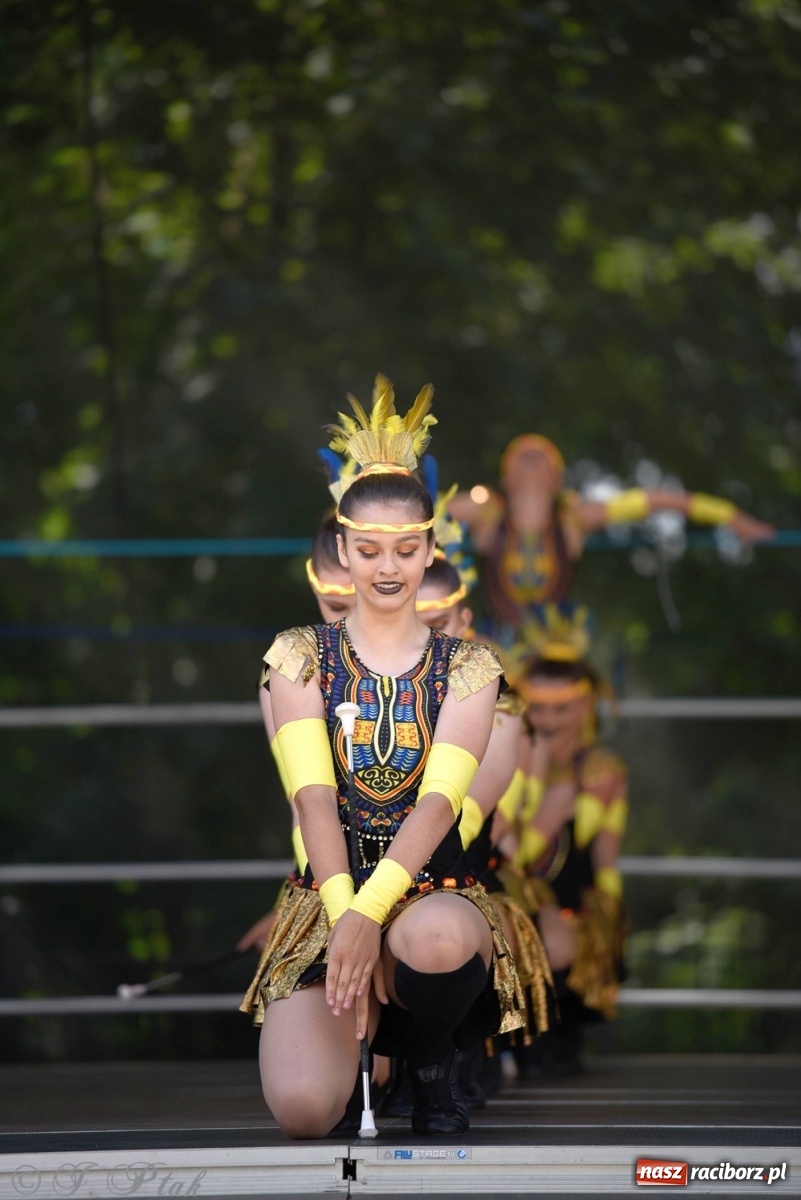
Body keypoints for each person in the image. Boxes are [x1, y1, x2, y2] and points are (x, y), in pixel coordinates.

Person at [241, 375, 525, 1138]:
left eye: (406, 548)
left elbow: (439, 802)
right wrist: (345, 920)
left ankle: (428, 1058)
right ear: (341, 549)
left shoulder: (470, 669)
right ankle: (360, 1054)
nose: (388, 567)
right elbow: (312, 800)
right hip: (326, 897)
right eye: (368, 550)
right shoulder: (296, 658)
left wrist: (373, 912)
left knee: (435, 935)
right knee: (304, 1111)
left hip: (427, 890)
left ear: (430, 548)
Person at [449, 433, 775, 628]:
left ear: (557, 480)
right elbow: (421, 504)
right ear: (505, 478)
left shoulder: (573, 517)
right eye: (522, 459)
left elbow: (654, 501)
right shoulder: (486, 511)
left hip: (555, 645)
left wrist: (733, 518)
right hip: (493, 637)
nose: (531, 461)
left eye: (540, 460)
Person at [494, 606, 627, 1076]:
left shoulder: (600, 771)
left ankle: (554, 1034)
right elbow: (510, 848)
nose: (549, 718)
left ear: (587, 706)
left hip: (568, 898)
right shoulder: (508, 756)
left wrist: (607, 910)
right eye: (540, 707)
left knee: (568, 933)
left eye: (563, 707)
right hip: (511, 889)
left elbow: (602, 849)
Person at [237, 513, 357, 955]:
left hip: (436, 884)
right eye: (338, 606)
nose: (357, 620)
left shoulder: (453, 667)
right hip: (328, 887)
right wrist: (310, 903)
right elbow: (304, 805)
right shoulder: (289, 673)